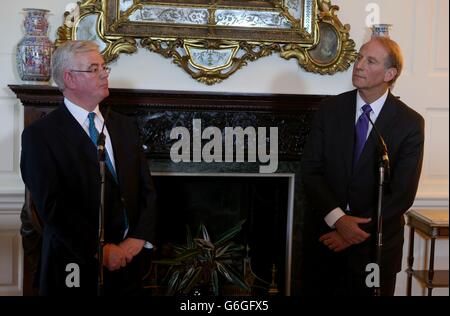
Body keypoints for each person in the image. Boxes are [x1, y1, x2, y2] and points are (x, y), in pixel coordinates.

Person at [20, 40, 157, 296]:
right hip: (73, 267)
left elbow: (146, 190)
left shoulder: (124, 126)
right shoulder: (40, 135)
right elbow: (52, 207)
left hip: (129, 265)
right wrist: (101, 250)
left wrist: (137, 239)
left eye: (104, 67)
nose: (104, 73)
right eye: (94, 69)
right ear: (69, 78)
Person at [301, 37, 424, 296]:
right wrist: (338, 220)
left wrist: (351, 232)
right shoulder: (330, 109)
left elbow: (402, 194)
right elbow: (311, 171)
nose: (358, 65)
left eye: (370, 61)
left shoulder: (410, 123)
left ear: (390, 74)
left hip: (375, 249)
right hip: (326, 241)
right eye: (359, 57)